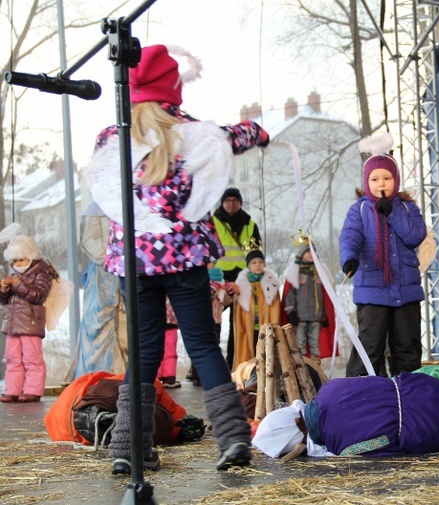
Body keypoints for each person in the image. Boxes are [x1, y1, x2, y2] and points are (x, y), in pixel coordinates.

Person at [82, 44, 270, 473]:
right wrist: (258, 131)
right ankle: (233, 440)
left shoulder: (113, 140)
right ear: (174, 90)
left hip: (135, 265)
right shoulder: (196, 134)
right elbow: (239, 134)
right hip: (185, 261)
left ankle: (128, 449)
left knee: (145, 354)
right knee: (203, 344)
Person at [252, 371, 439, 458]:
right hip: (418, 384)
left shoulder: (338, 443)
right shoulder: (329, 389)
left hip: (424, 422)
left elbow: (386, 445)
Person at [339, 134, 427, 377]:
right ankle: (361, 395)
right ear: (367, 182)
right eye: (375, 178)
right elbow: (350, 235)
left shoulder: (408, 208)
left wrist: (392, 214)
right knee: (370, 346)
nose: (381, 183)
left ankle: (408, 396)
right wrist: (349, 258)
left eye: (387, 178)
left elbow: (415, 236)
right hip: (372, 288)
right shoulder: (359, 209)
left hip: (406, 290)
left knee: (406, 346)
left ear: (395, 180)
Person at [66, 202, 127, 380]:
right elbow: (90, 240)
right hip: (102, 277)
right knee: (98, 323)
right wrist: (113, 258)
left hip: (127, 273)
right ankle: (95, 378)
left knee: (126, 324)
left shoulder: (132, 202)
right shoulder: (96, 209)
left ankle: (124, 377)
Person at [0, 236, 59, 403]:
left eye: (20, 260)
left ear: (31, 256)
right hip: (13, 323)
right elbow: (4, 301)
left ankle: (33, 389)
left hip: (30, 323)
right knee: (12, 358)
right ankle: (13, 389)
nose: (17, 264)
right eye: (14, 261)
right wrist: (3, 289)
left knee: (32, 358)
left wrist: (17, 284)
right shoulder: (15, 276)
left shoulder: (43, 274)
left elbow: (37, 295)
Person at [212, 187, 262, 370]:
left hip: (243, 279)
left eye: (235, 200)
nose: (231, 204)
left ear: (240, 202)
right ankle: (205, 367)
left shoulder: (249, 224)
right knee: (212, 321)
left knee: (238, 322)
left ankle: (234, 360)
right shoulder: (214, 222)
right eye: (227, 201)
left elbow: (256, 250)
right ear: (222, 203)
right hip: (217, 279)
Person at [282, 245, 336, 360]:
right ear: (302, 254)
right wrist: (290, 312)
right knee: (300, 343)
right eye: (308, 252)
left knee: (315, 344)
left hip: (316, 316)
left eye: (313, 251)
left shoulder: (319, 273)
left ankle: (315, 368)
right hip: (300, 318)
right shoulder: (296, 273)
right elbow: (289, 296)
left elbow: (324, 296)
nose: (312, 254)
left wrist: (325, 315)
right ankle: (302, 368)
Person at [232, 249, 282, 370]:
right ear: (249, 265)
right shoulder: (241, 284)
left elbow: (275, 308)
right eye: (254, 263)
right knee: (249, 348)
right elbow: (238, 310)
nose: (258, 265)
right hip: (248, 325)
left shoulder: (271, 284)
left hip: (265, 325)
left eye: (260, 262)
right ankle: (248, 373)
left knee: (266, 349)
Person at [158, 298, 180, 388]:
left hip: (156, 322)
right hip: (170, 321)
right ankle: (169, 378)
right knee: (170, 349)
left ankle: (157, 377)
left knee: (155, 349)